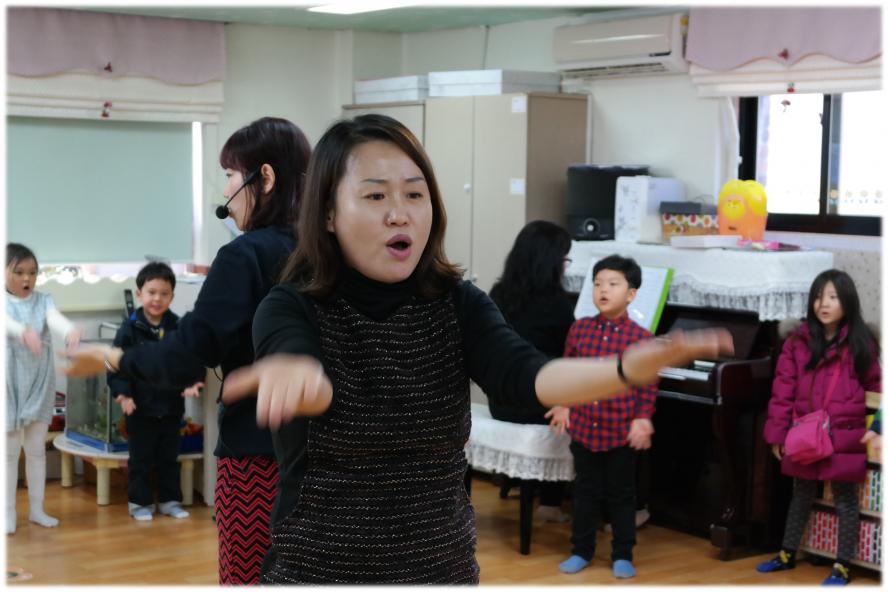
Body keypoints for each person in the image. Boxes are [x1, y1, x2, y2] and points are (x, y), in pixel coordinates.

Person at [218, 114, 732, 584]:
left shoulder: (458, 304)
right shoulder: (291, 306)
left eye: (414, 194)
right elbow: (305, 373)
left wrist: (622, 368)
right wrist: (299, 377)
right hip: (320, 572)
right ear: (329, 214)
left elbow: (528, 377)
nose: (400, 214)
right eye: (375, 197)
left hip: (442, 570)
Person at [64, 117, 311, 585]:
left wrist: (110, 357)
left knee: (249, 577)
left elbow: (185, 356)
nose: (226, 190)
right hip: (332, 463)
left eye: (230, 175)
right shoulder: (330, 252)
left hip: (257, 458)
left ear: (264, 178)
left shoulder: (244, 255)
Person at [757, 269, 880, 586]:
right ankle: (787, 553)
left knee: (845, 499)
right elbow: (782, 391)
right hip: (805, 433)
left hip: (844, 434)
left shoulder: (861, 344)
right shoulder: (797, 342)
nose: (823, 304)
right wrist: (777, 435)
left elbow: (877, 388)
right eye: (818, 297)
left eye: (832, 297)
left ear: (847, 302)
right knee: (800, 493)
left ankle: (843, 565)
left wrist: (877, 428)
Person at [547, 254, 658, 579]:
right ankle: (581, 550)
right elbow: (568, 372)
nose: (603, 290)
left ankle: (623, 554)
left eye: (612, 284)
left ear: (631, 294)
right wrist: (563, 404)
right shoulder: (580, 329)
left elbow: (647, 385)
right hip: (584, 428)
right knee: (584, 493)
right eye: (597, 284)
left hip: (620, 431)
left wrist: (642, 418)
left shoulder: (641, 338)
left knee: (622, 495)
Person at [488, 220, 575, 522]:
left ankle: (536, 492)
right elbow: (569, 356)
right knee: (583, 404)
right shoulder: (557, 303)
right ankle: (557, 502)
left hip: (500, 402)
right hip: (532, 405)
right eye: (564, 258)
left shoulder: (499, 293)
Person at [107, 262, 203, 521]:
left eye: (164, 293)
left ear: (172, 296)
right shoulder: (129, 328)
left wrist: (193, 381)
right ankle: (139, 503)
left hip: (171, 407)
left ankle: (170, 501)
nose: (157, 299)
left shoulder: (178, 327)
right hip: (139, 408)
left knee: (169, 458)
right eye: (151, 292)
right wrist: (123, 394)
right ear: (139, 294)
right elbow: (116, 365)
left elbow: (190, 359)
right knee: (140, 459)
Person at [6, 243, 81, 534]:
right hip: (9, 384)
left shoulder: (44, 300)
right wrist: (23, 332)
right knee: (9, 453)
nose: (27, 278)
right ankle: (7, 513)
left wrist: (70, 330)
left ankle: (37, 510)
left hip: (39, 382)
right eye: (19, 272)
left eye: (33, 272)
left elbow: (54, 319)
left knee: (36, 449)